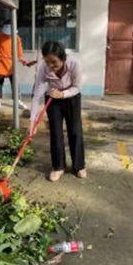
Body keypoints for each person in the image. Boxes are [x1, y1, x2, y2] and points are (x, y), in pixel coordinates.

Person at [29, 40, 86, 182]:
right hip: (52, 98)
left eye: (54, 62)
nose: (50, 66)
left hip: (71, 97)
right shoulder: (44, 68)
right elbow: (37, 95)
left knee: (75, 131)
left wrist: (63, 94)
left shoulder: (74, 64)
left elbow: (77, 87)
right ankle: (58, 166)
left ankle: (79, 166)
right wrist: (32, 121)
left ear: (63, 58)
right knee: (55, 132)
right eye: (47, 62)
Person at [0, 20, 34, 109]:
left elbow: (19, 52)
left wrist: (20, 59)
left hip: (11, 65)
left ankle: (17, 100)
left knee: (15, 83)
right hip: (0, 64)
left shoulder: (16, 38)